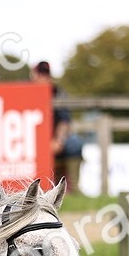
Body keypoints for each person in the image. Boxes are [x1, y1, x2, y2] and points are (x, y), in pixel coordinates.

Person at [31, 61, 83, 193]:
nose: (44, 78)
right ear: (34, 75)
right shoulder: (26, 92)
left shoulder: (58, 92)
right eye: (40, 74)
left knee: (74, 143)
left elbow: (64, 120)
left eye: (46, 74)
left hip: (53, 140)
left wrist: (58, 141)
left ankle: (74, 190)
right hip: (32, 141)